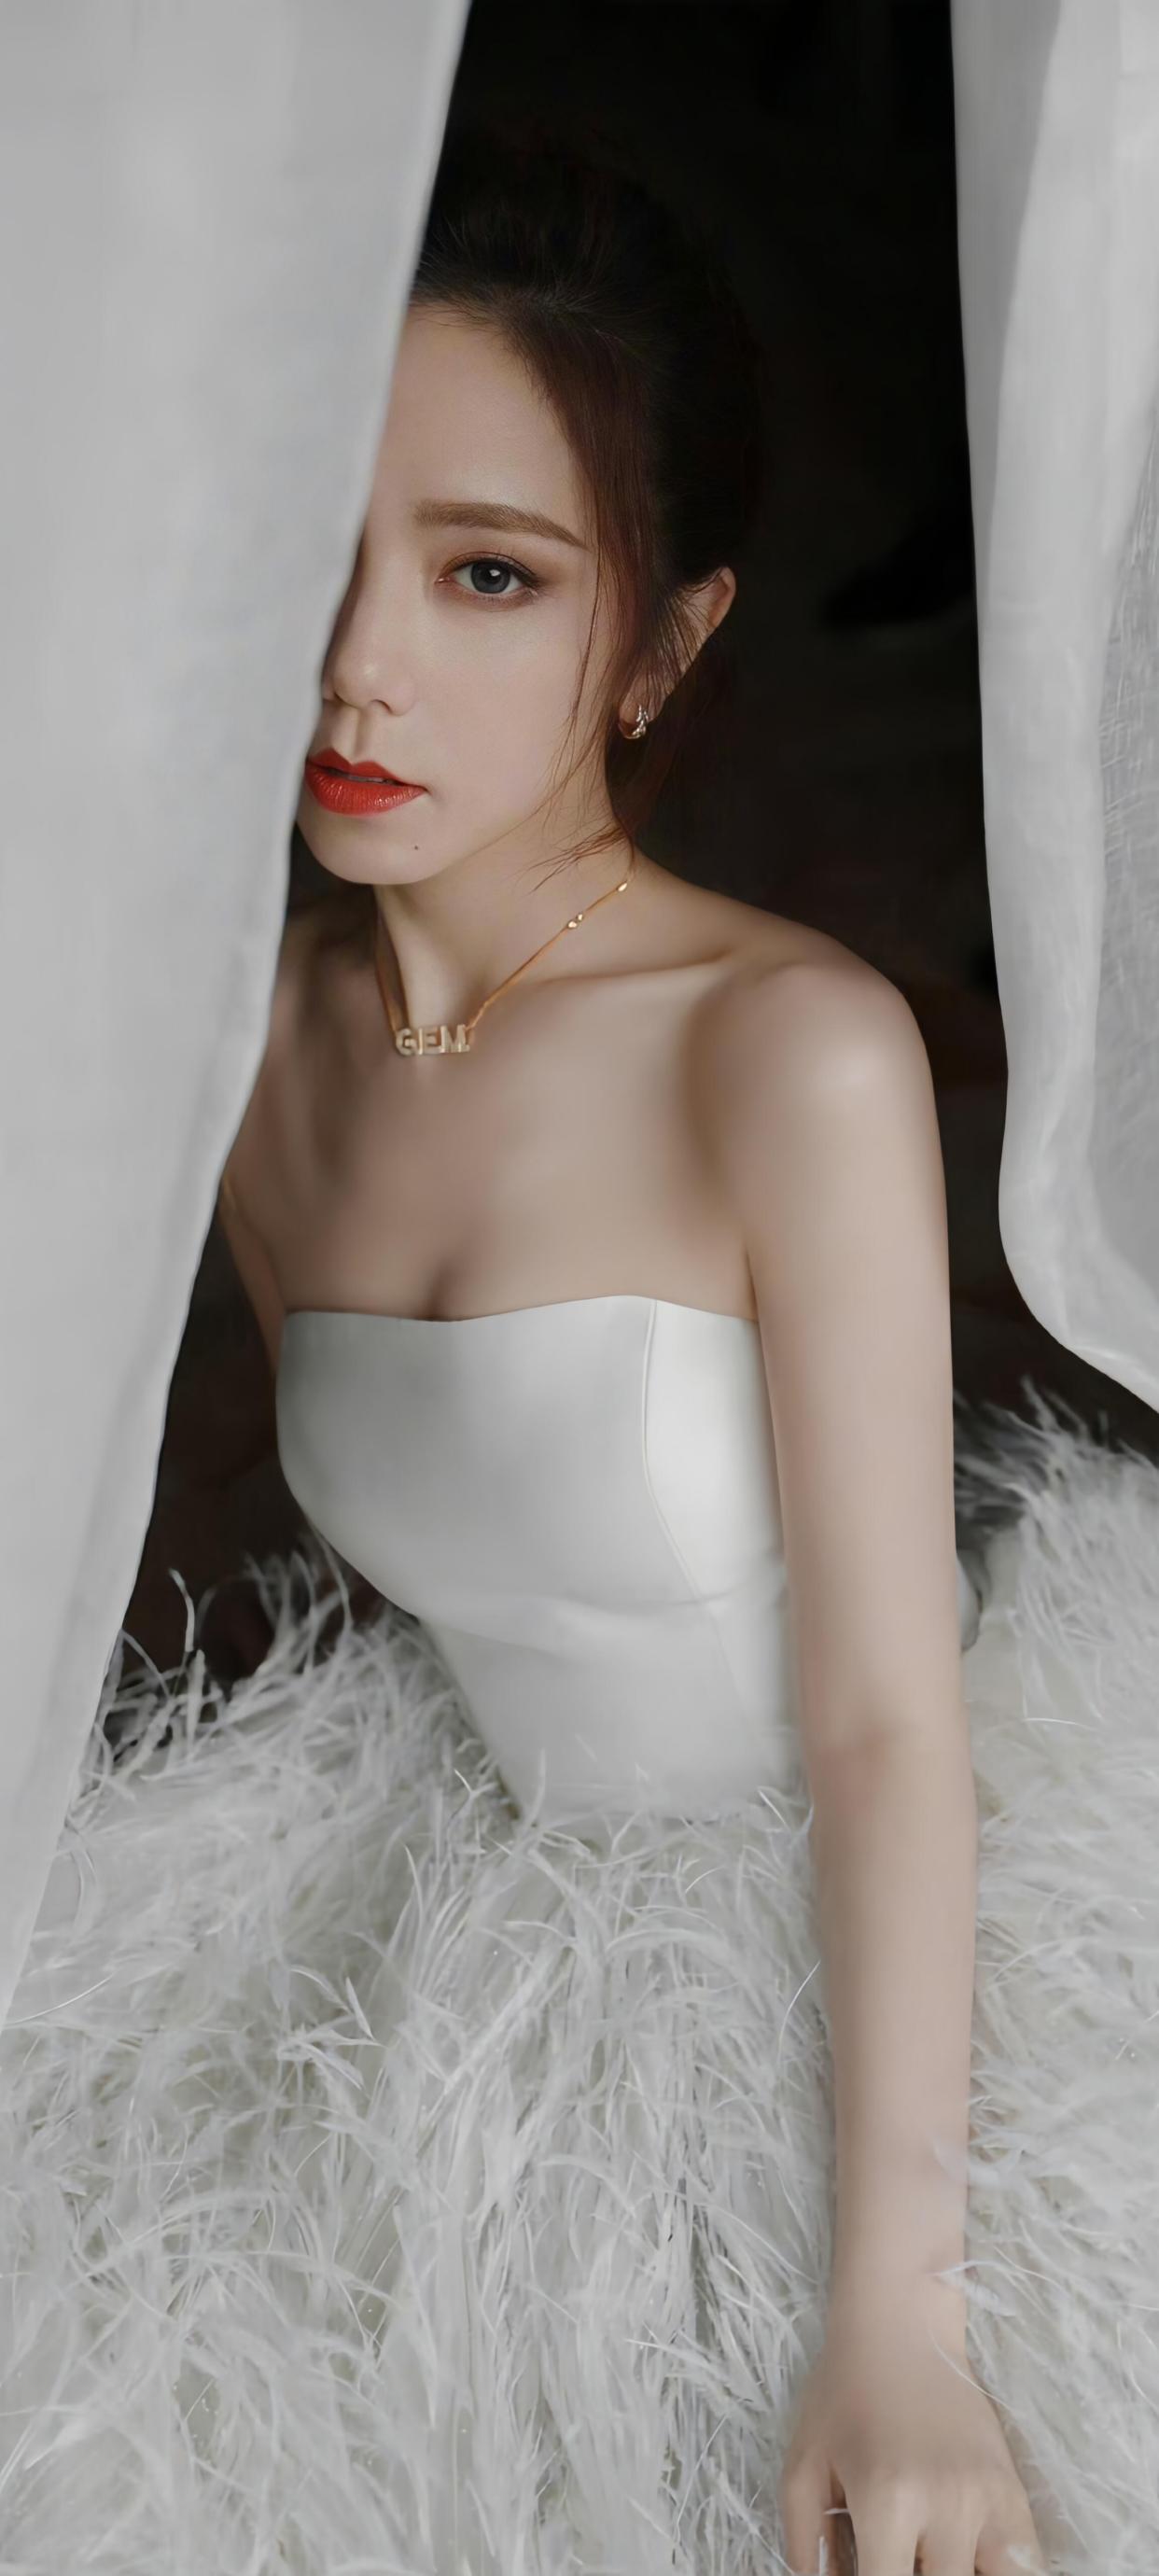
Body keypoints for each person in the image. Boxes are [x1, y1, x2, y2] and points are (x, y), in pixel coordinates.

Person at [211, 121, 1041, 2576]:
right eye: (312, 546)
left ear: (665, 644)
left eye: (489, 573)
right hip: (493, 1931)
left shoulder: (782, 1049)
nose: (358, 662)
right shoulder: (242, 1054)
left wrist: (895, 2317)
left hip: (892, 1960)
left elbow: (883, 1725)